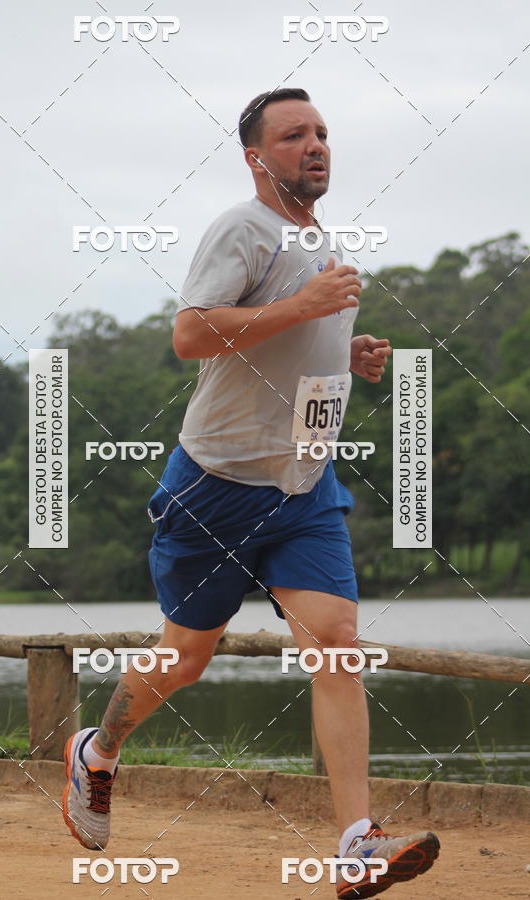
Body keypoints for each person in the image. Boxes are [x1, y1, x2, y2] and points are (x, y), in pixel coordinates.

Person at [62, 88, 439, 898]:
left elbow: (290, 345)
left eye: (323, 132)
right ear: (256, 157)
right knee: (185, 659)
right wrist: (302, 306)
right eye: (295, 134)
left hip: (303, 487)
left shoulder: (321, 238)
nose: (317, 145)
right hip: (216, 488)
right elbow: (190, 333)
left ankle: (356, 844)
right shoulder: (241, 227)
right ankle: (98, 749)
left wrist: (346, 353)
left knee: (336, 642)